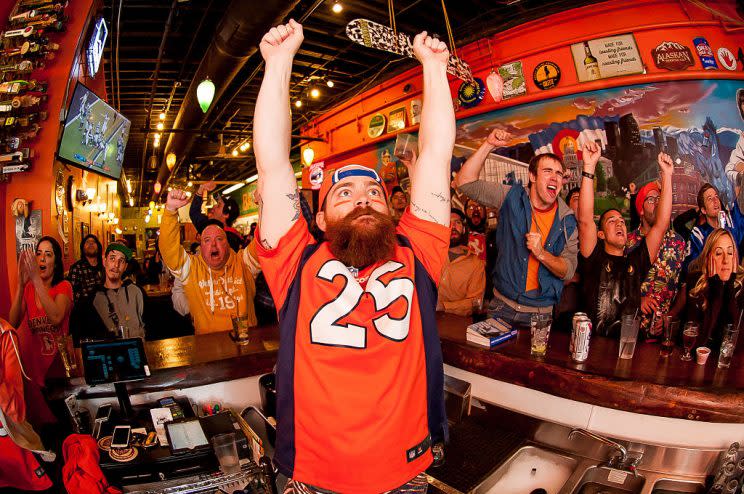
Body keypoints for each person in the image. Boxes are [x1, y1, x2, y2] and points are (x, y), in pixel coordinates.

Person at [253, 20, 452, 493]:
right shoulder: (294, 261)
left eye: (373, 193)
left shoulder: (417, 252)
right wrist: (278, 65)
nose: (363, 199)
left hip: (404, 470)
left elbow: (435, 155)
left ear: (391, 210)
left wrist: (435, 68)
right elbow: (273, 164)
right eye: (344, 193)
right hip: (315, 474)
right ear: (319, 220)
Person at [455, 129, 578, 330]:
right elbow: (465, 182)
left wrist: (541, 254)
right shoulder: (510, 197)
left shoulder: (567, 221)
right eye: (547, 171)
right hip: (502, 307)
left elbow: (568, 270)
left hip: (541, 315)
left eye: (558, 173)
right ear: (532, 176)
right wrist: (488, 144)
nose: (554, 177)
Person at [577, 146, 674, 336]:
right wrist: (589, 167)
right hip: (594, 347)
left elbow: (661, 225)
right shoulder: (594, 257)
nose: (619, 224)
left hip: (627, 349)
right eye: (611, 222)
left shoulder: (636, 261)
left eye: (621, 221)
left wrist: (667, 176)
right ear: (601, 234)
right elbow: (585, 220)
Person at [160, 200, 259, 334]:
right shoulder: (192, 269)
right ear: (200, 246)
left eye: (219, 239)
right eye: (207, 240)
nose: (213, 245)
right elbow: (169, 250)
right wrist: (170, 211)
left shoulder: (244, 263)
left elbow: (264, 240)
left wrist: (266, 200)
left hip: (247, 345)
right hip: (208, 350)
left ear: (227, 243)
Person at [9, 237, 73, 428]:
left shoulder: (64, 287)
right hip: (33, 372)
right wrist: (21, 284)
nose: (42, 258)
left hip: (57, 370)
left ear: (56, 261)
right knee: (39, 430)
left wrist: (36, 279)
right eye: (39, 254)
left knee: (60, 427)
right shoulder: (29, 289)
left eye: (48, 254)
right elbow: (12, 322)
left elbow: (55, 317)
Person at [626, 181, 686, 338]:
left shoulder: (678, 242)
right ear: (640, 209)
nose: (658, 203)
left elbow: (685, 287)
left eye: (660, 198)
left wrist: (670, 315)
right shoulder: (628, 242)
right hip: (631, 331)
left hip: (664, 334)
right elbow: (616, 283)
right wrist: (636, 299)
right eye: (651, 199)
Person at [685, 229, 744, 349]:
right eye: (718, 253)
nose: (726, 260)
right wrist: (717, 287)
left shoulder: (742, 287)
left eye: (730, 253)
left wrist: (729, 286)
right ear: (708, 259)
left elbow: (735, 346)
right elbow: (698, 345)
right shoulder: (695, 282)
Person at [84, 243, 147, 340]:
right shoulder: (93, 298)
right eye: (112, 258)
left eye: (121, 261)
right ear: (104, 262)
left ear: (125, 266)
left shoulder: (137, 292)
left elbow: (150, 326)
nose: (116, 265)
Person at [437, 209, 486, 316]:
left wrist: (444, 306)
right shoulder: (431, 254)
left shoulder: (476, 263)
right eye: (448, 223)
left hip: (457, 324)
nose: (453, 226)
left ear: (464, 229)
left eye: (457, 222)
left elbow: (476, 302)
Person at [685, 183, 744, 270]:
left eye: (716, 196)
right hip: (712, 281)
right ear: (704, 210)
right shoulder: (699, 234)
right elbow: (689, 267)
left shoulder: (732, 222)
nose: (715, 200)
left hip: (735, 279)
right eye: (710, 199)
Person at [191, 181, 244, 251]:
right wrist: (201, 188)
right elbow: (195, 213)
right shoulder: (211, 227)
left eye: (218, 205)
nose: (214, 207)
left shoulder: (230, 238)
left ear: (226, 215)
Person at [67, 234, 104, 304]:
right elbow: (71, 295)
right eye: (87, 242)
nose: (91, 244)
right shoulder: (76, 268)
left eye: (93, 242)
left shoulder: (104, 267)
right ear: (82, 248)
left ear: (98, 247)